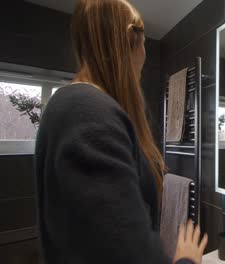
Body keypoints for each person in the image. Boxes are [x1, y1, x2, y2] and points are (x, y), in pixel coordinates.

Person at [34, 0, 207, 263]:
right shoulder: (87, 112)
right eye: (145, 41)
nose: (145, 57)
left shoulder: (76, 106)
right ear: (129, 40)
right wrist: (187, 259)